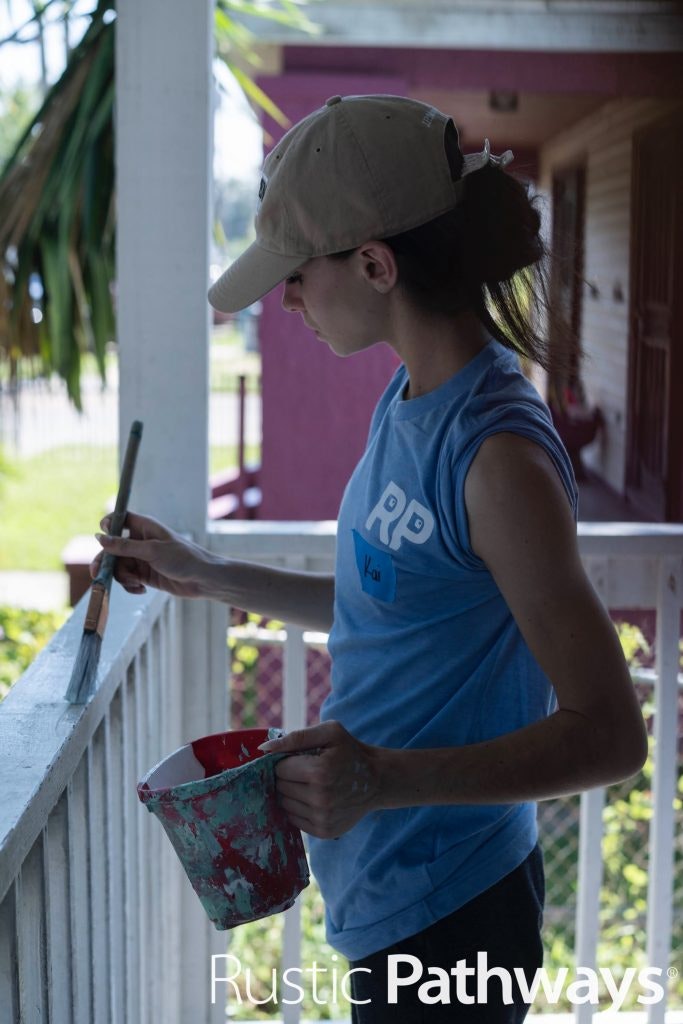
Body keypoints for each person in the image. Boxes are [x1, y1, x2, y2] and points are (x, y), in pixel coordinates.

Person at [94, 95, 647, 1021]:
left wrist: (382, 779)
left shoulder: (496, 455)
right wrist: (206, 572)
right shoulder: (408, 399)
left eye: (297, 274)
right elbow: (385, 603)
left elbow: (610, 733)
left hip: (456, 914)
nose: (289, 299)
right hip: (387, 903)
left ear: (376, 263)